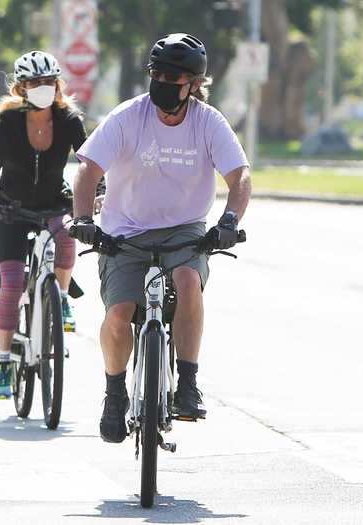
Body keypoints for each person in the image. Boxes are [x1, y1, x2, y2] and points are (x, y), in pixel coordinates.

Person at [70, 33, 252, 443]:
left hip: (184, 230)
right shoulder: (128, 116)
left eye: (175, 77)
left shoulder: (209, 123)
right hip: (125, 231)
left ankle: (187, 383)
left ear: (194, 85)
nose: (165, 83)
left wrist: (228, 220)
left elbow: (240, 176)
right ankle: (115, 392)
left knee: (189, 282)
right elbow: (88, 170)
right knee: (119, 313)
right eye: (159, 74)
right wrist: (83, 219)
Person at [0, 50, 86, 399]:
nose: (44, 88)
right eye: (36, 83)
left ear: (58, 85)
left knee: (69, 233)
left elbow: (88, 160)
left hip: (54, 202)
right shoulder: (8, 122)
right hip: (11, 207)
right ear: (22, 88)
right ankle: (5, 360)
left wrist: (99, 190)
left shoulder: (68, 119)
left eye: (49, 82)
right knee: (11, 283)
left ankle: (63, 299)